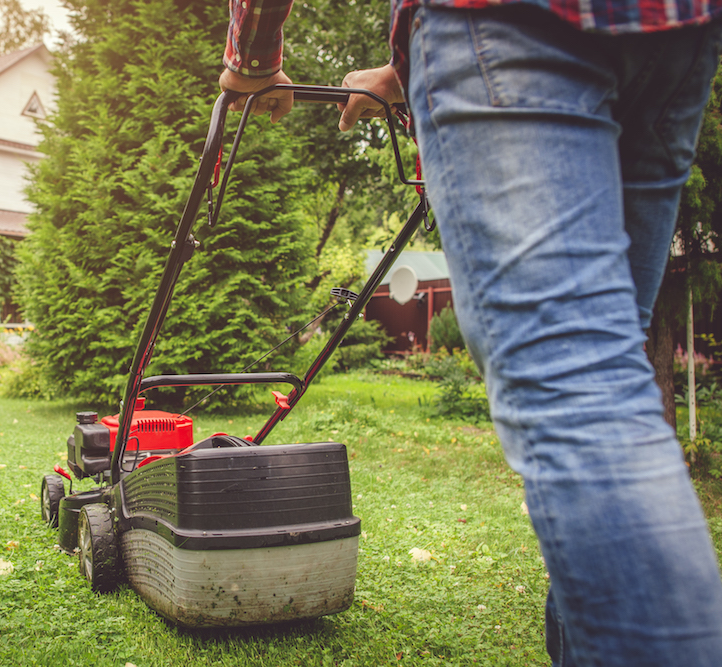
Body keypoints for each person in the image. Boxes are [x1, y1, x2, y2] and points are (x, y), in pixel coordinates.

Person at [219, 1, 722, 665]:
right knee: (601, 382)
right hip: (674, 34)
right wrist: (403, 72)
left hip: (501, 20)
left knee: (576, 390)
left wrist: (253, 59)